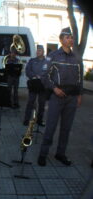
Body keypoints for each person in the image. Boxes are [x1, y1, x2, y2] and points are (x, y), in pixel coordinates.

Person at [37, 27, 82, 166]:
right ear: (61, 40)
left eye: (72, 38)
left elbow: (80, 78)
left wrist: (79, 94)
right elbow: (44, 76)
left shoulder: (77, 57)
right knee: (50, 126)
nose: (71, 40)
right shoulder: (53, 56)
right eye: (68, 37)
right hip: (57, 97)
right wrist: (54, 88)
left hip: (72, 98)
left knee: (66, 128)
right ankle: (43, 154)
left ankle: (60, 153)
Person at [23, 45, 47, 126]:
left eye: (39, 50)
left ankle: (39, 120)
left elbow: (50, 73)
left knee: (42, 103)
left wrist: (42, 77)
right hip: (34, 85)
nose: (37, 52)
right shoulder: (32, 61)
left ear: (43, 52)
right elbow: (27, 71)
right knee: (30, 102)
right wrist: (34, 75)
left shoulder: (47, 62)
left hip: (43, 86)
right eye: (37, 50)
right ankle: (26, 119)